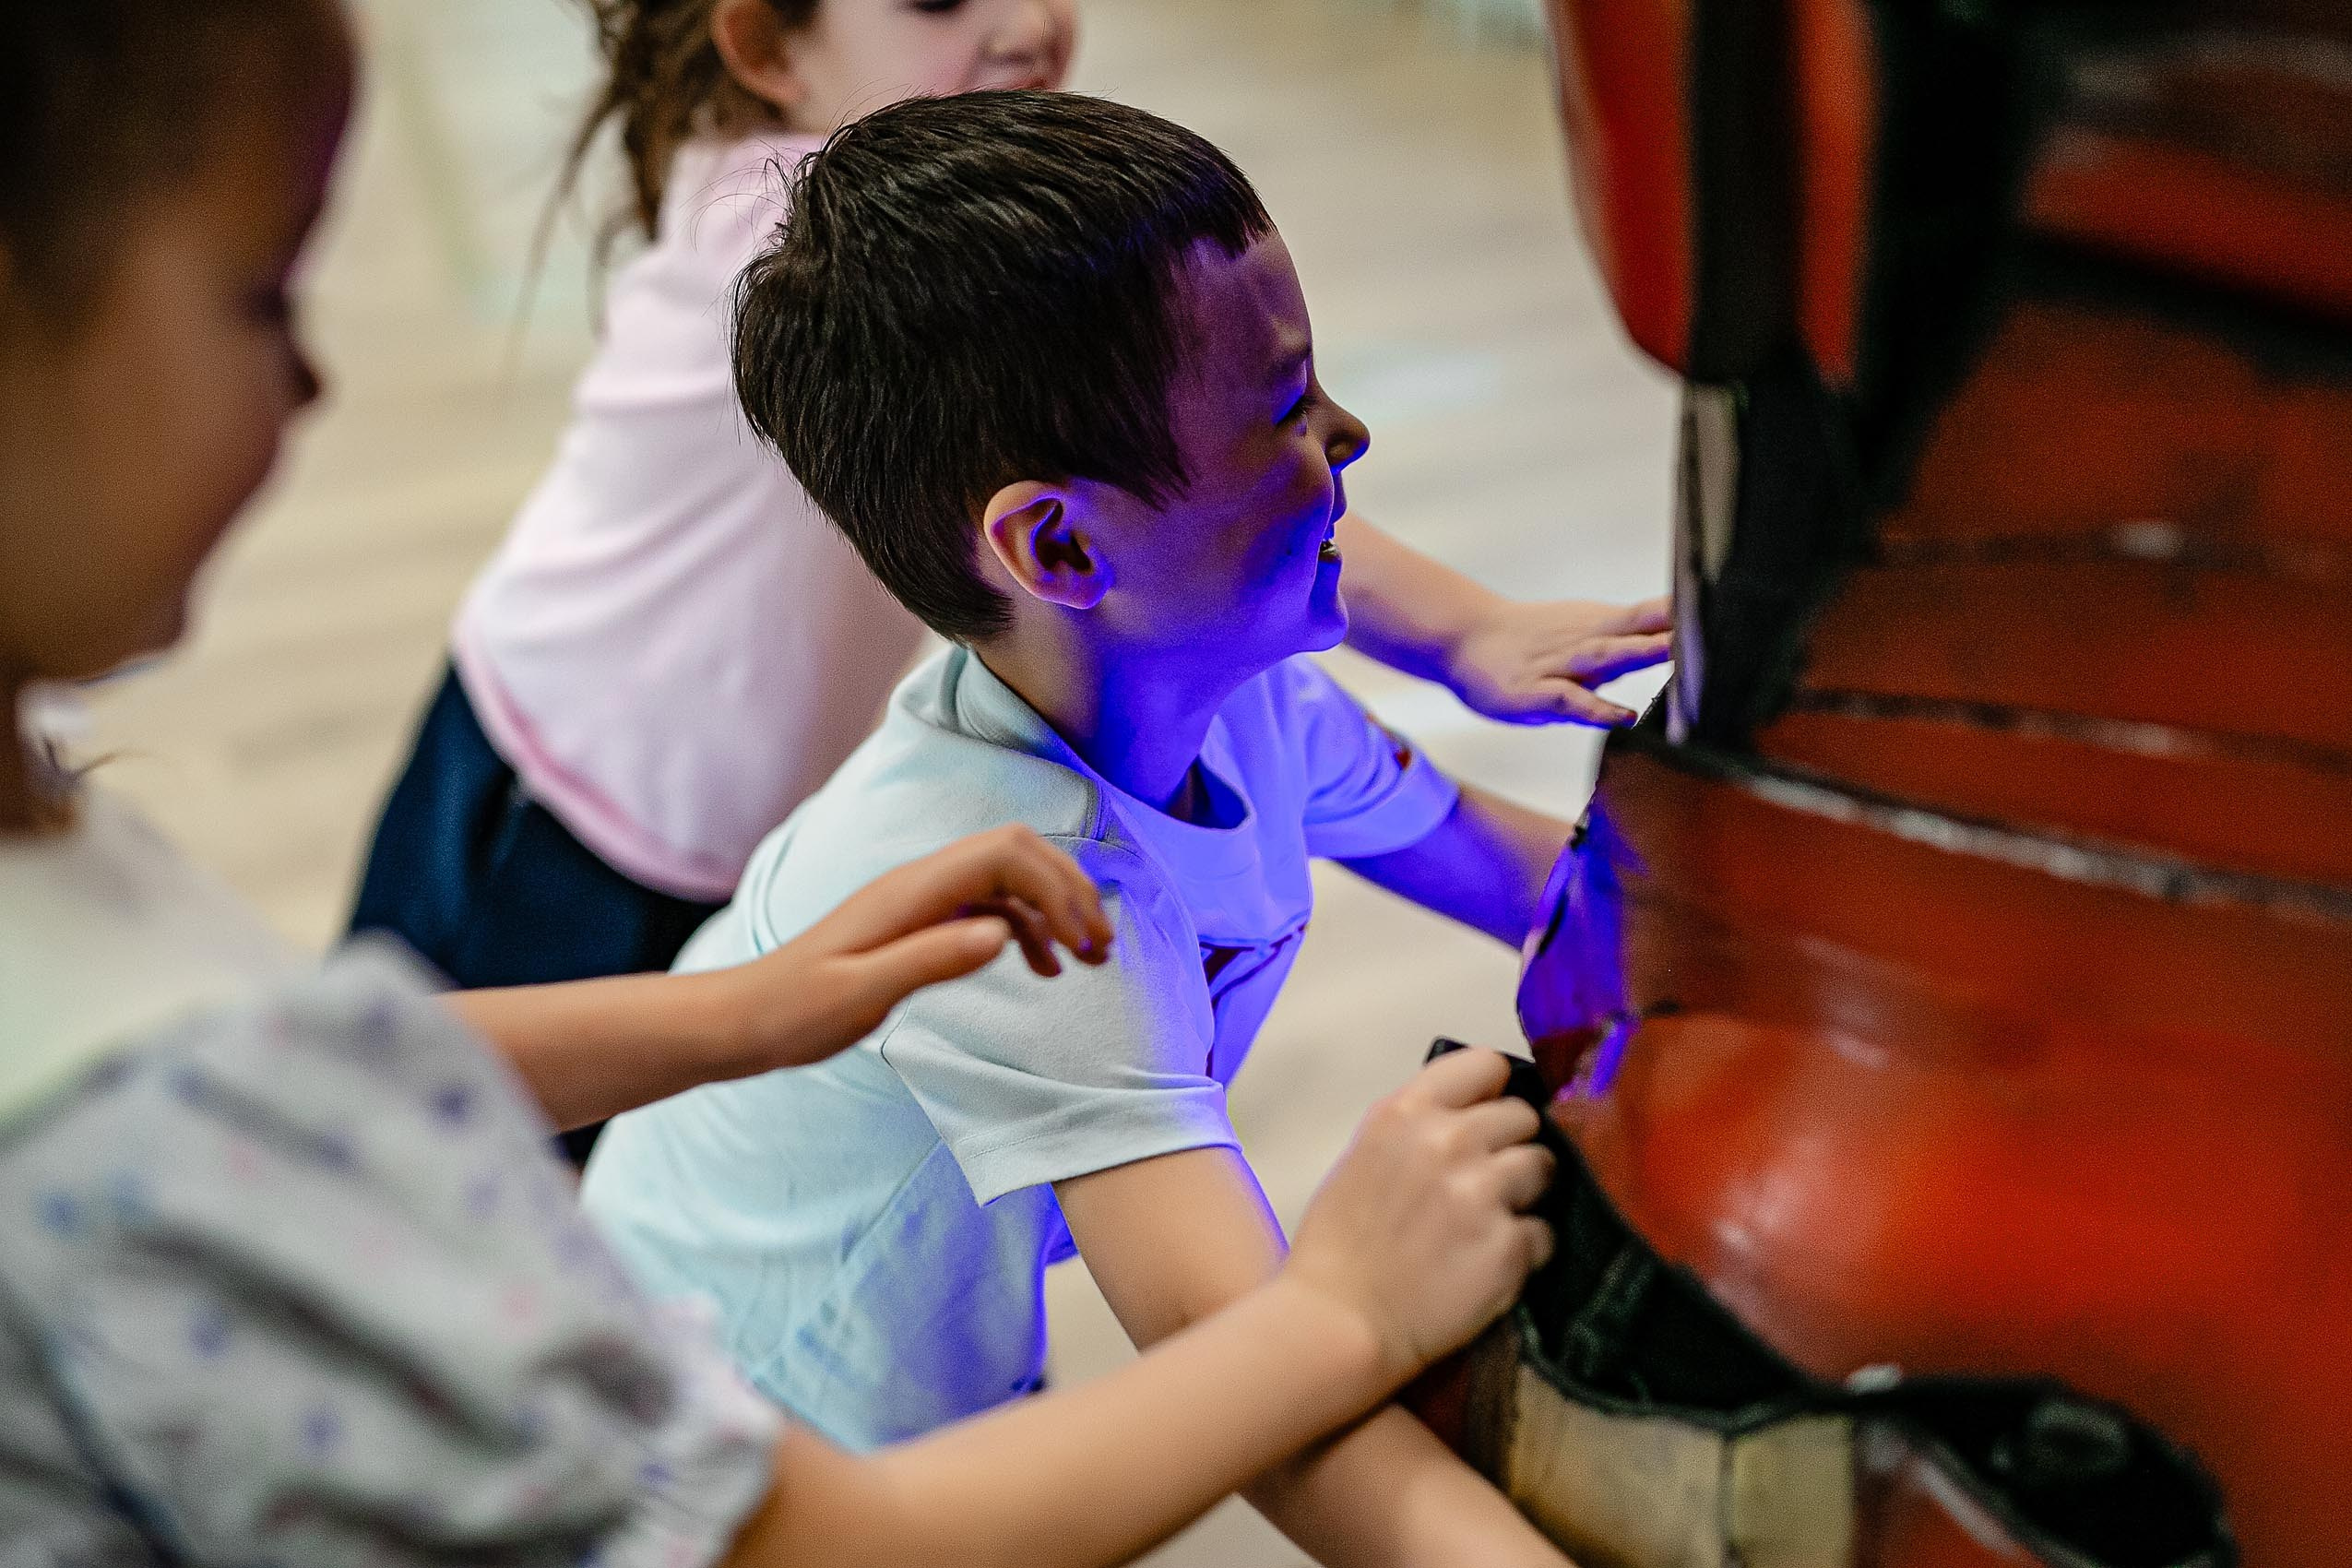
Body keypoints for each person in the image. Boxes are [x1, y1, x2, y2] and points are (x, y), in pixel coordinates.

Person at [0, 6, 1559, 1563]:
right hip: (555, 820)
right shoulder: (135, 1111)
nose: (315, 385)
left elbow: (313, 1065)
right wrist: (1342, 1313)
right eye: (266, 297)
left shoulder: (97, 915)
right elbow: (809, 1543)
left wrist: (742, 1008)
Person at [346, 0, 1670, 1156]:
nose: (1030, 22)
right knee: (448, 1188)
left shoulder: (891, 238)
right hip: (558, 808)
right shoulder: (780, 249)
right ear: (762, 47)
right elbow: (1185, 473)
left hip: (709, 820)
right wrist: (1462, 632)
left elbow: (1181, 479)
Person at [582, 91, 1593, 1566]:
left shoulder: (1247, 708)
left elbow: (1543, 891)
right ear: (1056, 546)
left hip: (906, 1379)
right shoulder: (1020, 913)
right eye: (1283, 407)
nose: (1349, 433)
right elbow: (1255, 1376)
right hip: (727, 1457)